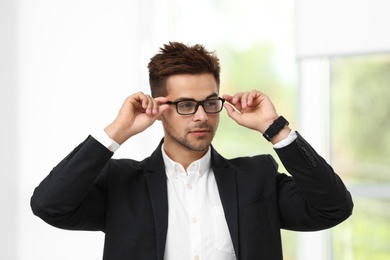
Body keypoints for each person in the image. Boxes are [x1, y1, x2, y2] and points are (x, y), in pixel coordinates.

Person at [31, 42, 353, 260]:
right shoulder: (122, 182)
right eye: (186, 104)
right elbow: (50, 205)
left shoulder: (257, 177)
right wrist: (117, 131)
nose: (201, 116)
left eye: (210, 103)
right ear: (159, 108)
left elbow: (333, 208)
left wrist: (275, 127)